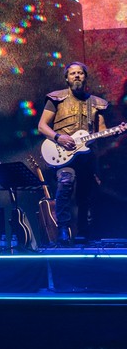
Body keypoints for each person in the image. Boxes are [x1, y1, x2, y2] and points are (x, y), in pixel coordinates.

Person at [36, 62, 109, 244]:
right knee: (65, 183)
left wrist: (115, 131)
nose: (77, 76)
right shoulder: (56, 98)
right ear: (66, 78)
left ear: (85, 77)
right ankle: (63, 229)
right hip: (63, 154)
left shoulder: (96, 103)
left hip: (86, 157)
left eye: (80, 73)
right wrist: (58, 137)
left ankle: (83, 232)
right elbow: (42, 126)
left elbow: (102, 130)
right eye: (73, 73)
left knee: (85, 194)